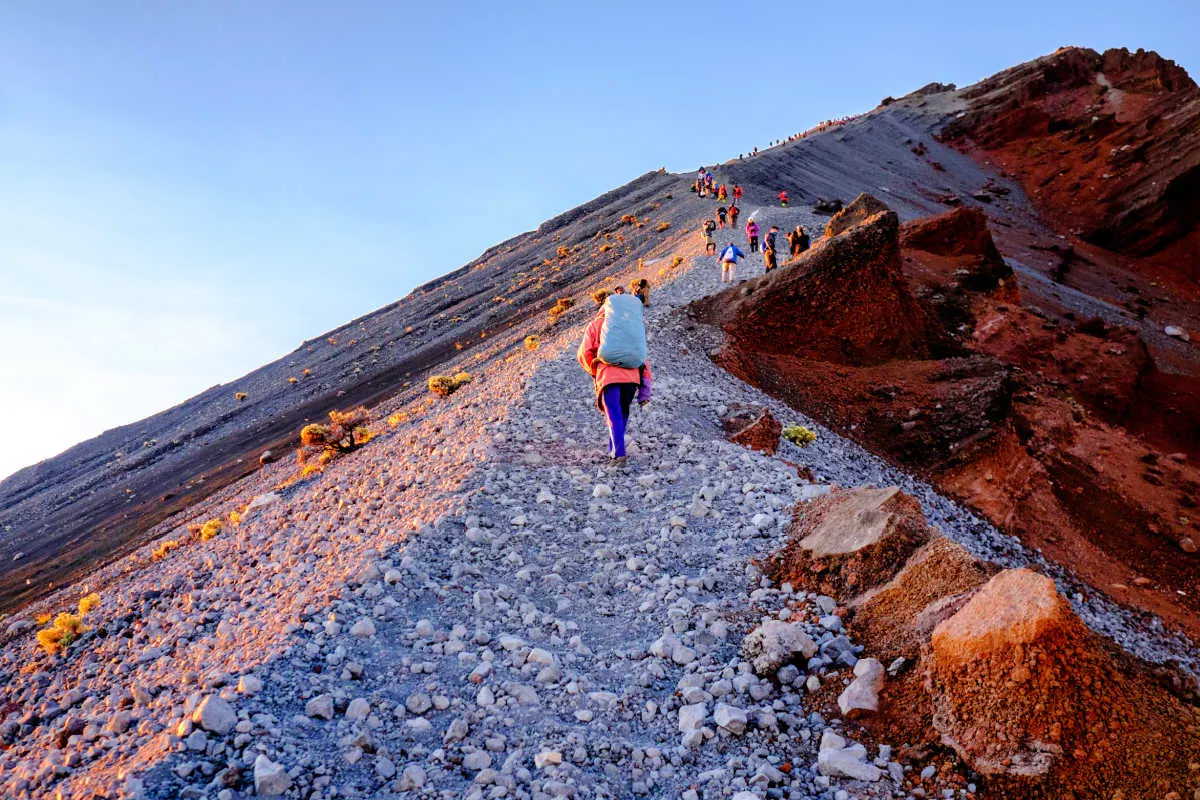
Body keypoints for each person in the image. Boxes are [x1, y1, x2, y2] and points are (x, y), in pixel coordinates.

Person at [577, 290, 652, 462]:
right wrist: (645, 390)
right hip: (632, 379)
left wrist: (594, 370)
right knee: (622, 413)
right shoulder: (631, 327)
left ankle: (618, 454)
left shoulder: (595, 326)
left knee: (613, 414)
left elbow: (584, 353)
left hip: (608, 378)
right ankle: (614, 449)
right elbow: (642, 359)